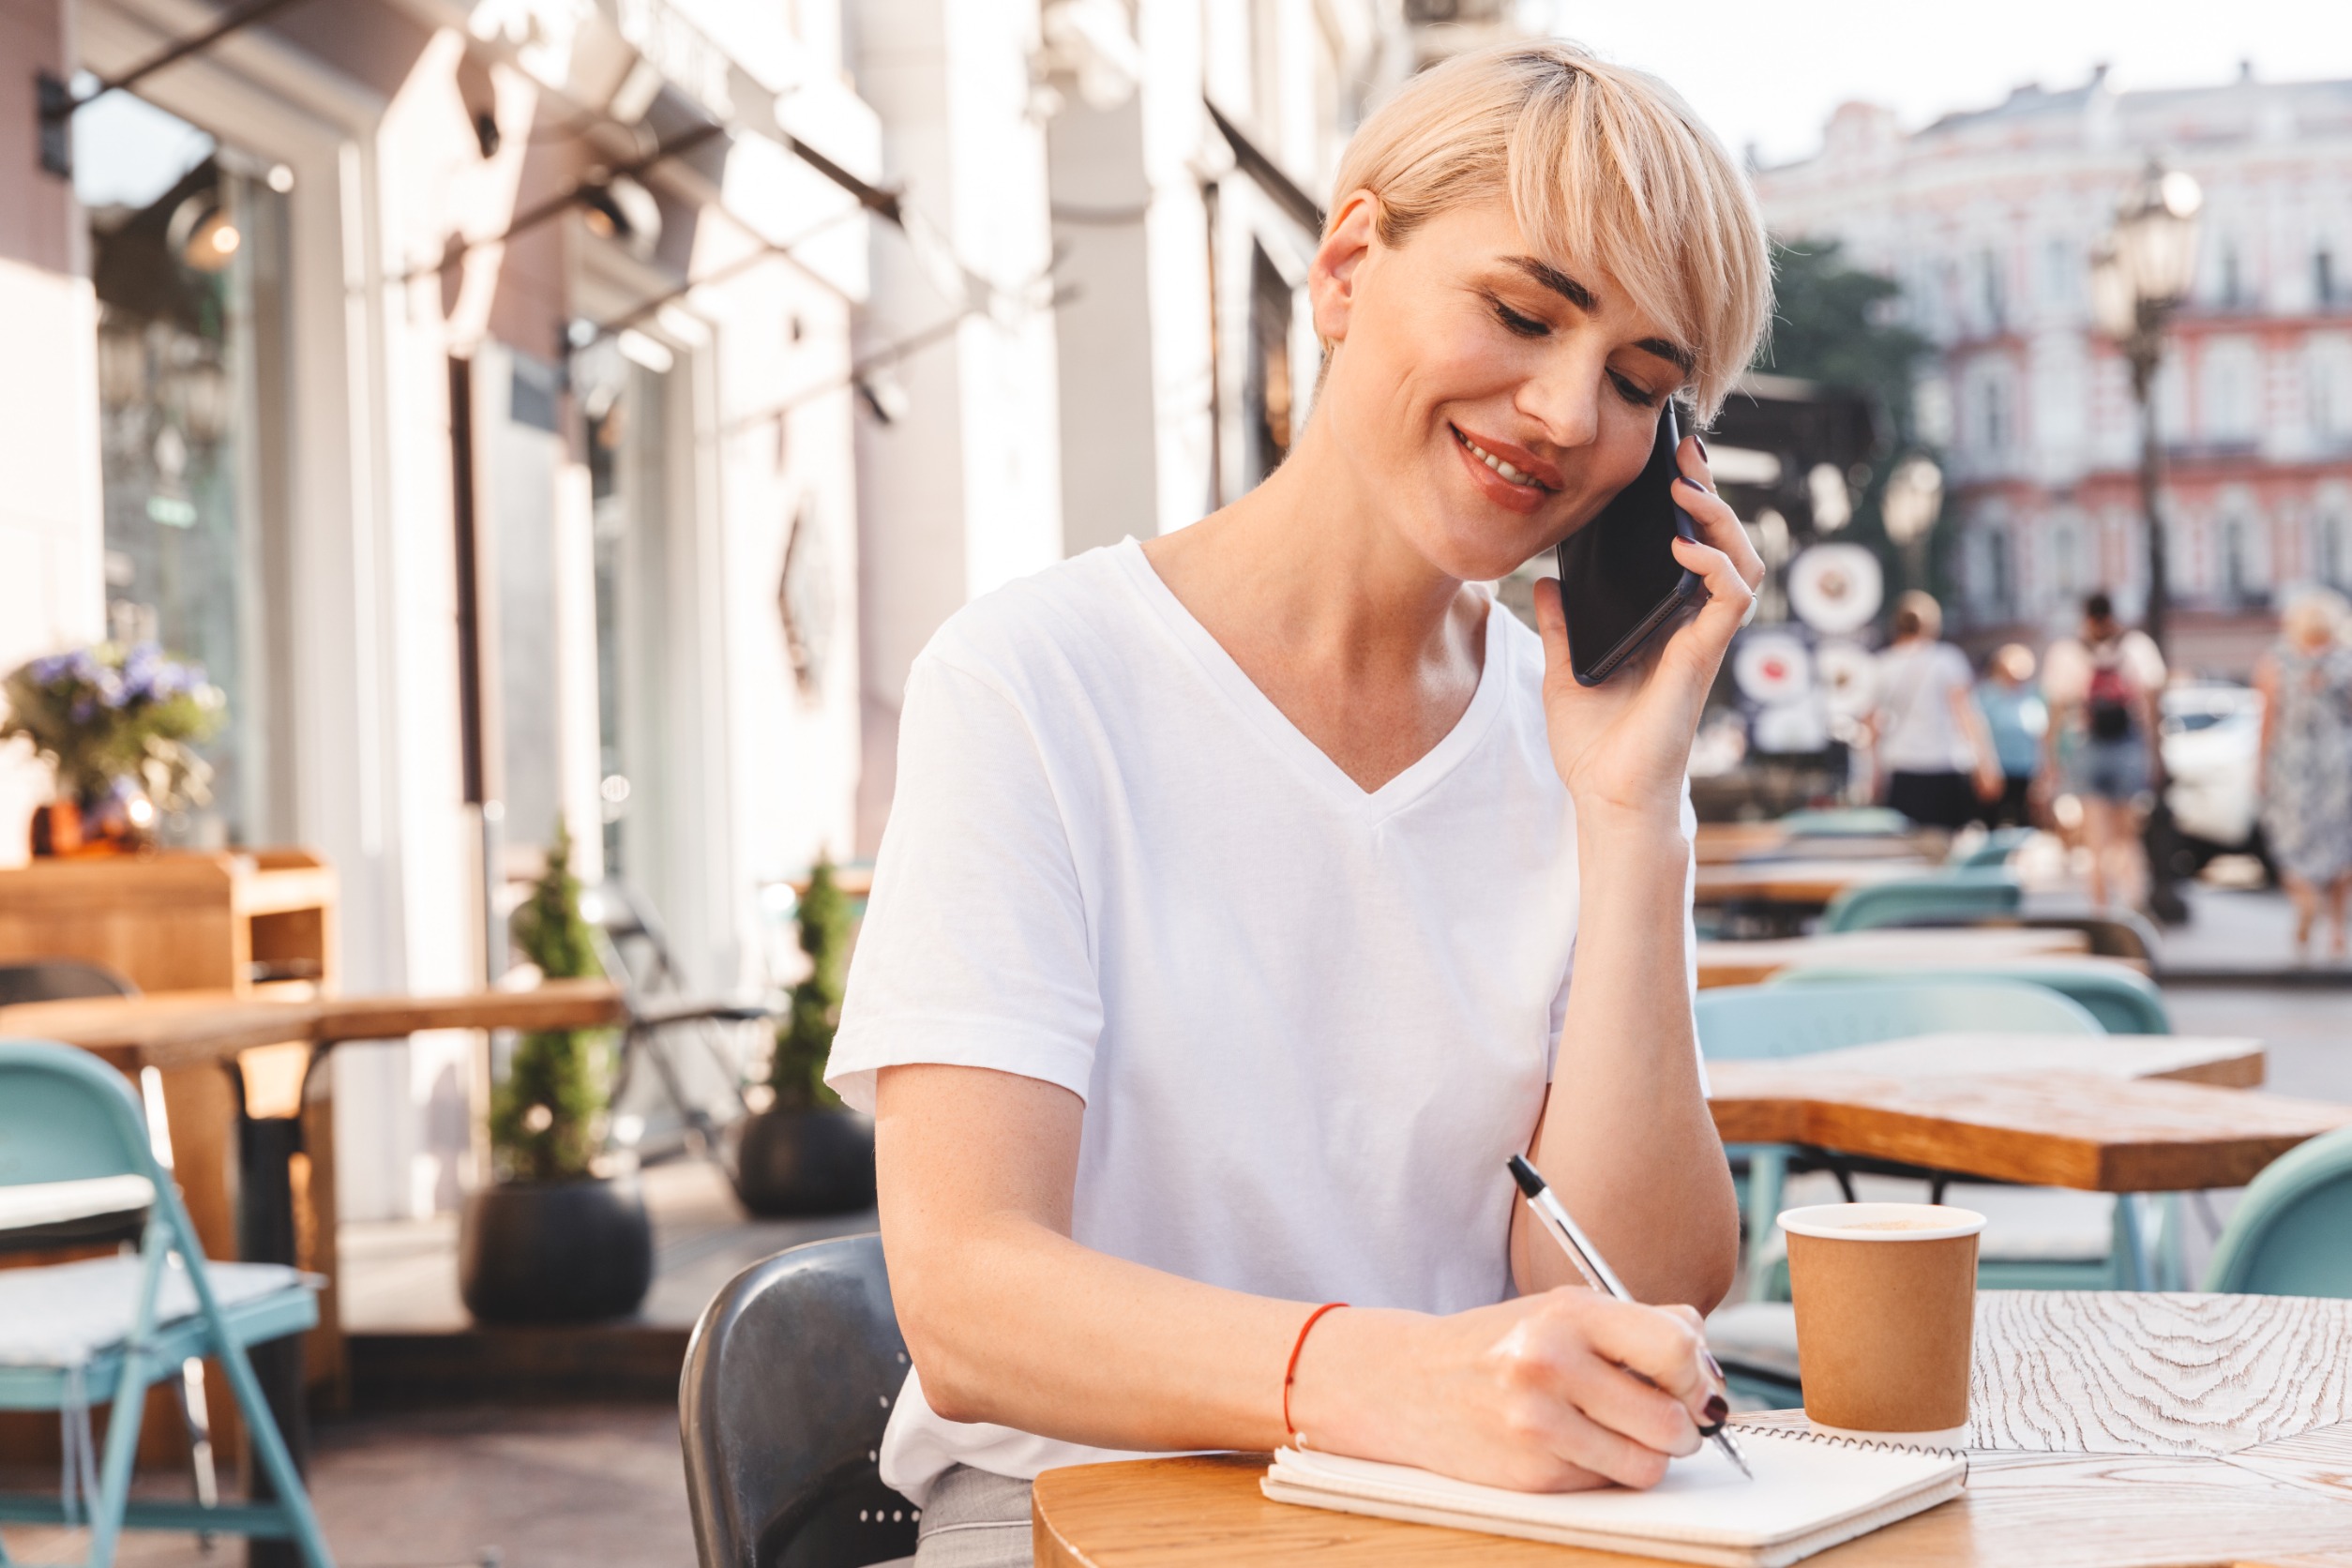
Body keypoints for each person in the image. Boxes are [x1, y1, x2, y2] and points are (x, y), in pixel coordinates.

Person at [824, 41, 1772, 1567]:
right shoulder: (1031, 682)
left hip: (1455, 1523)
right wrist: (1395, 1381)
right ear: (1343, 267)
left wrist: (1631, 812)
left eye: (1636, 384)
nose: (1556, 406)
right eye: (1521, 313)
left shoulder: (1573, 744)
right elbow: (970, 1294)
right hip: (1083, 1519)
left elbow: (1623, 1282)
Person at [2042, 592, 2167, 912]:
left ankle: (2101, 911)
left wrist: (2050, 761)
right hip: (2127, 746)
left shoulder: (2067, 651)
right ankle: (2133, 905)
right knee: (2128, 837)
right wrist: (2155, 755)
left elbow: (2056, 713)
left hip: (2087, 746)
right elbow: (2151, 709)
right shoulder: (2136, 646)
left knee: (2096, 840)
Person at [2254, 587, 2352, 960]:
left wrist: (2260, 769)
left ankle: (2305, 900)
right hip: (2339, 763)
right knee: (2343, 847)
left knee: (2290, 842)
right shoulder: (2345, 660)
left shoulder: (2277, 661)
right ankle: (2339, 928)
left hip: (2293, 766)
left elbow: (2267, 721)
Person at [1867, 592, 2000, 830]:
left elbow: (1872, 724)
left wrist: (1873, 774)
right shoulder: (1947, 660)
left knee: (1906, 847)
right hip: (1945, 765)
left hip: (1901, 768)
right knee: (1946, 844)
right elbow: (1966, 715)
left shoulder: (1881, 665)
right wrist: (1986, 764)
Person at [1974, 642, 2047, 828]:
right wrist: (1984, 768)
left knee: (2025, 825)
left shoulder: (2034, 695)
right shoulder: (1986, 695)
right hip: (1996, 771)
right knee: (1992, 824)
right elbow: (1977, 733)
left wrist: (2044, 771)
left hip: (2026, 771)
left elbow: (2042, 734)